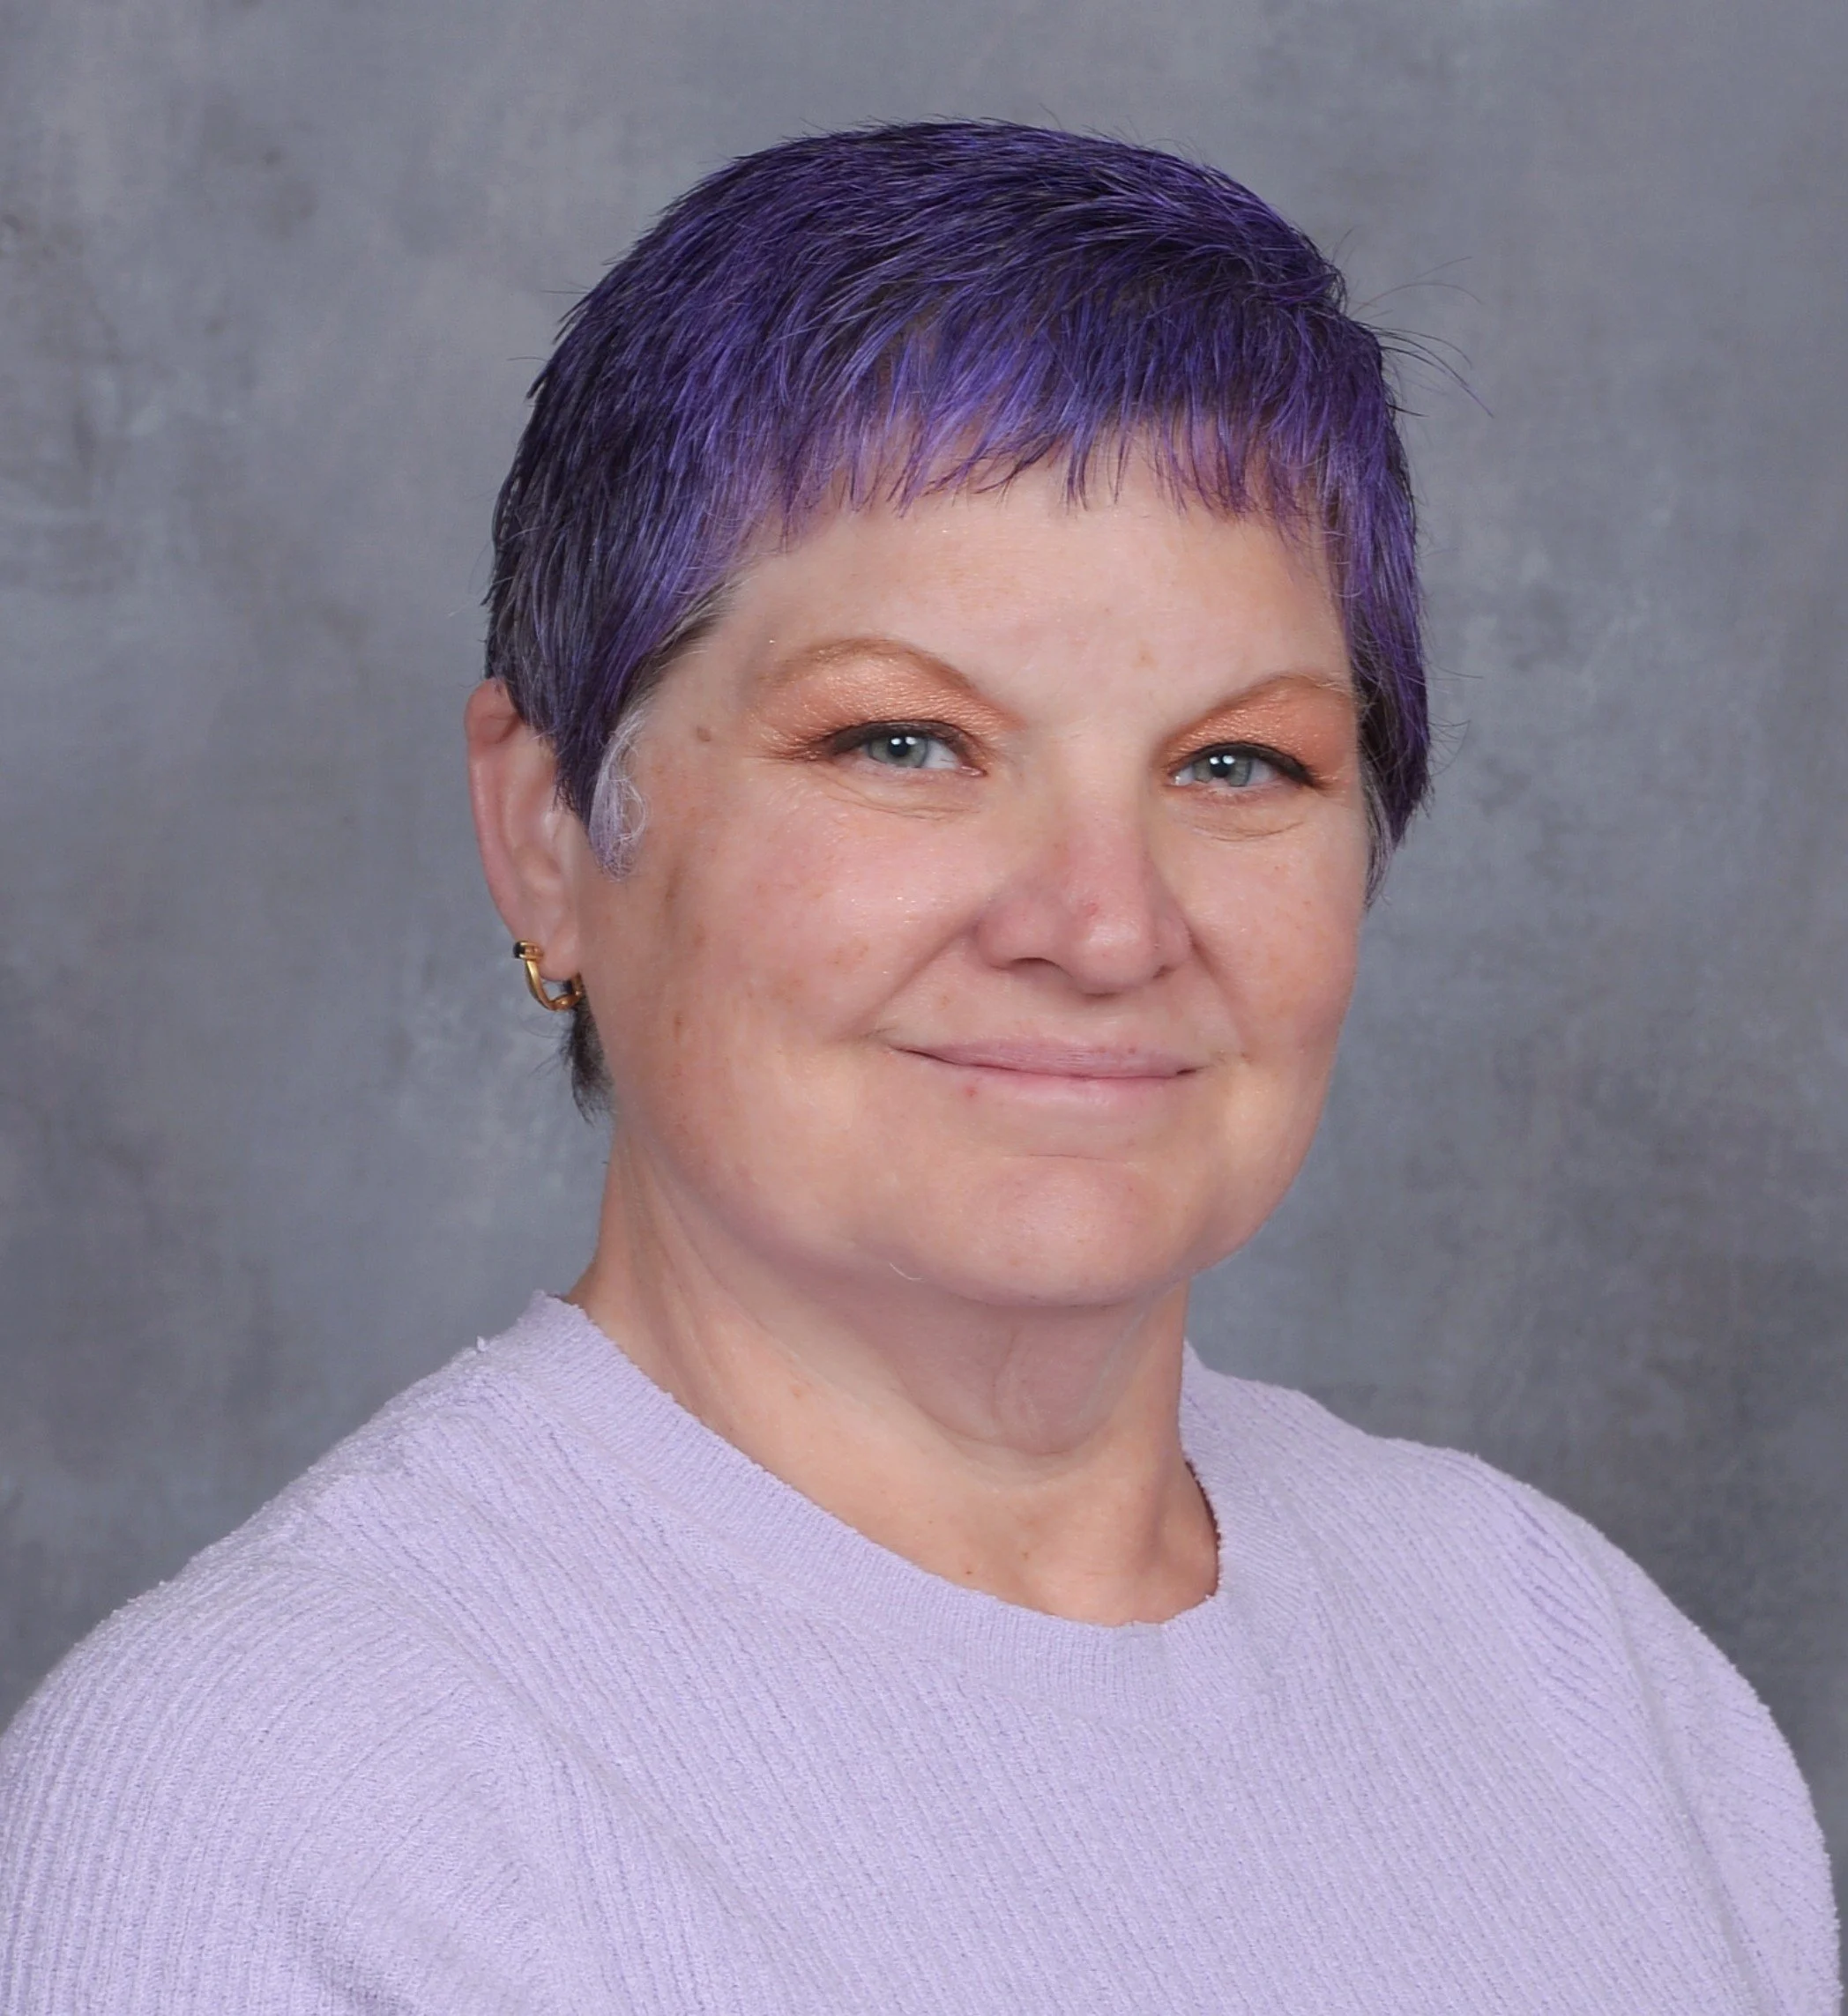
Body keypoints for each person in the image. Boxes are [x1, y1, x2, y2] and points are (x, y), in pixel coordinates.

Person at [0, 120, 1836, 2015]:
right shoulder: (271, 1805)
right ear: (547, 834)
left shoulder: (1569, 1669)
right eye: (902, 743)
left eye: (1236, 764)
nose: (1103, 926)